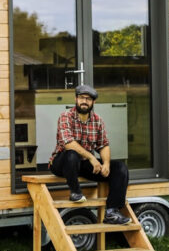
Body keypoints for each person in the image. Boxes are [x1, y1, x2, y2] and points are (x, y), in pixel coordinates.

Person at [48, 84, 131, 225]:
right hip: (62, 163)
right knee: (72, 153)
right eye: (81, 98)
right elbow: (68, 143)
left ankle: (111, 212)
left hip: (83, 165)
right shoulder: (65, 117)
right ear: (76, 99)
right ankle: (75, 192)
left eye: (88, 99)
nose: (84, 101)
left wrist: (106, 163)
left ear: (94, 102)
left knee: (121, 168)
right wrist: (92, 158)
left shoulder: (98, 120)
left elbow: (103, 144)